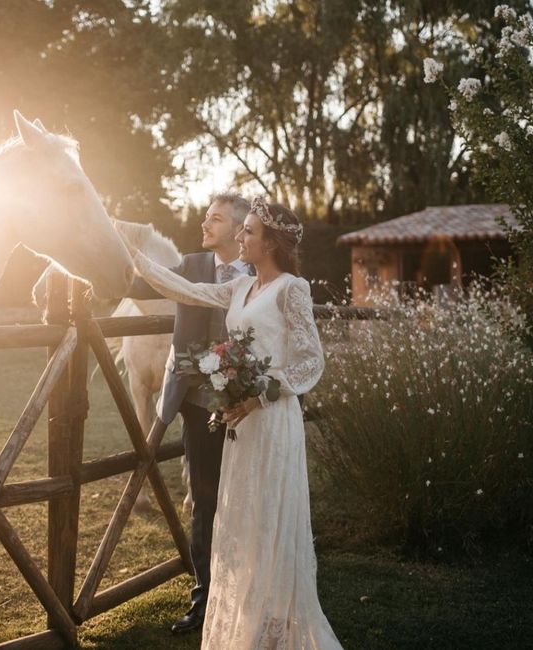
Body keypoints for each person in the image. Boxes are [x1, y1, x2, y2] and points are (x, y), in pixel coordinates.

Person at [126, 197, 343, 649]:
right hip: (239, 426)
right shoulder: (239, 289)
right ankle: (250, 618)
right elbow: (186, 291)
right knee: (239, 517)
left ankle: (279, 622)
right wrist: (131, 256)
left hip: (272, 422)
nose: (240, 238)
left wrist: (260, 393)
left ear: (270, 243)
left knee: (270, 513)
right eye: (240, 229)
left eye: (248, 232)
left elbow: (310, 363)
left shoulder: (292, 289)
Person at [127, 193, 252, 634]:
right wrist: (113, 260)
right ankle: (203, 600)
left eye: (215, 219)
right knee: (204, 500)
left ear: (239, 230)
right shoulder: (193, 265)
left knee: (248, 499)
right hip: (199, 407)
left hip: (251, 408)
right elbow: (145, 285)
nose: (205, 223)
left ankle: (249, 594)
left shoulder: (262, 274)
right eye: (205, 216)